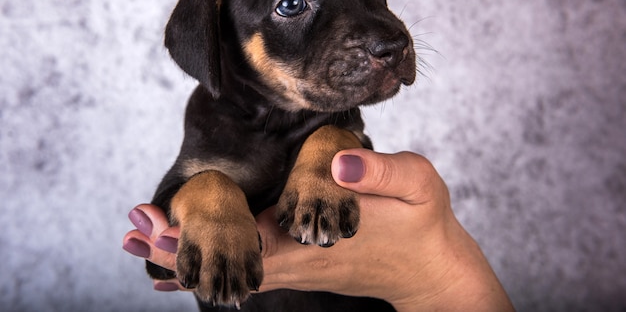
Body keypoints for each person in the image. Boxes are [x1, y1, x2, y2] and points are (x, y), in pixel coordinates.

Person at [123, 149, 515, 311]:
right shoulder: (214, 128)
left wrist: (437, 282)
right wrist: (207, 206)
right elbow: (164, 253)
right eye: (290, 3)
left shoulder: (333, 127)